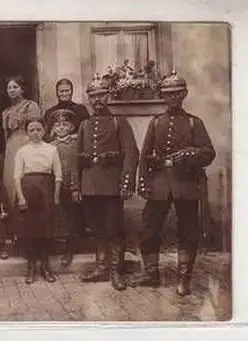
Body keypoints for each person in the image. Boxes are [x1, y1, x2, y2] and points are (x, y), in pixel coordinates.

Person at [130, 70, 215, 296]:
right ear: (163, 96)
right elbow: (144, 155)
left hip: (186, 184)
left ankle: (184, 278)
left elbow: (209, 153)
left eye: (177, 93)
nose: (173, 98)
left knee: (188, 232)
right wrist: (144, 182)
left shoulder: (194, 122)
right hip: (159, 183)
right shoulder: (156, 122)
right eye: (168, 94)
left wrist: (189, 155)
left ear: (184, 94)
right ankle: (151, 274)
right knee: (148, 229)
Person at [77, 74, 139, 291]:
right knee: (96, 228)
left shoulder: (118, 122)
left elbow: (131, 154)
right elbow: (78, 157)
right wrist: (78, 186)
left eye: (101, 95)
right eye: (93, 96)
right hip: (90, 186)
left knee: (113, 229)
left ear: (108, 96)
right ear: (89, 99)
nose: (97, 100)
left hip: (111, 185)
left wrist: (126, 183)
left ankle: (116, 271)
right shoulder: (84, 124)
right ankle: (101, 267)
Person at [14, 119, 62, 284]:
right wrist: (20, 197)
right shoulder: (22, 151)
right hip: (28, 190)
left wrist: (55, 196)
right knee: (30, 231)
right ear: (27, 132)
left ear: (44, 131)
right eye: (31, 130)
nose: (35, 133)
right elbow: (17, 176)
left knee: (46, 230)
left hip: (46, 190)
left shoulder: (51, 149)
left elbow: (58, 176)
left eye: (38, 129)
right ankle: (31, 267)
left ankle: (45, 267)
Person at [47, 108, 82, 268]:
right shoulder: (50, 145)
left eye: (65, 125)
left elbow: (77, 166)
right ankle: (55, 245)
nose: (61, 128)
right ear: (53, 128)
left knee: (72, 217)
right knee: (57, 215)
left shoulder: (76, 144)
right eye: (58, 125)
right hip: (54, 186)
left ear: (71, 128)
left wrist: (76, 187)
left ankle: (70, 248)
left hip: (71, 185)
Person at [2, 76, 42, 208]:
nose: (12, 90)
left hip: (27, 142)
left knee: (26, 177)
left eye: (15, 87)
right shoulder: (6, 111)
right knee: (11, 178)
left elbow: (37, 130)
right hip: (11, 145)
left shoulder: (31, 106)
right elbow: (6, 134)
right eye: (9, 87)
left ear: (22, 89)